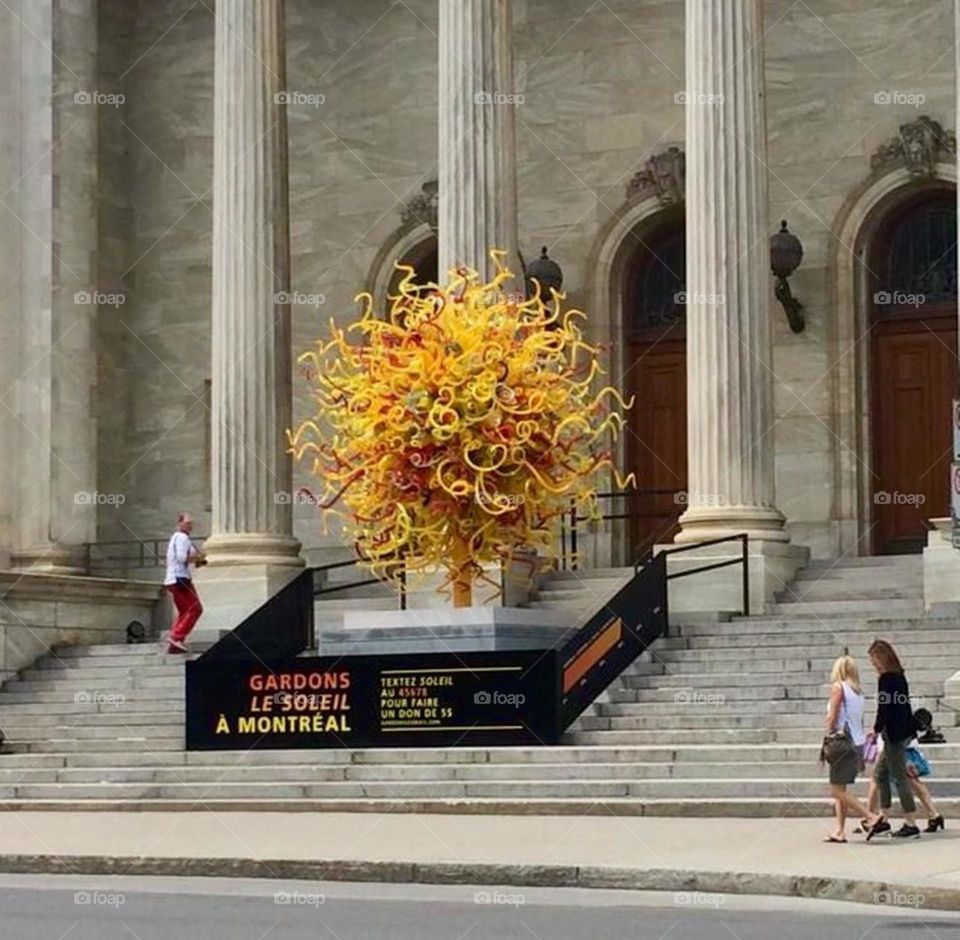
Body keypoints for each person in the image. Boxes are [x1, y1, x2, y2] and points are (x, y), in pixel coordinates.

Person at [865, 639, 921, 840]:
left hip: (894, 735)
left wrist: (876, 729)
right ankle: (884, 817)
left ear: (881, 658)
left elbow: (884, 708)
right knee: (880, 775)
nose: (874, 665)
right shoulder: (899, 676)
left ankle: (911, 822)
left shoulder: (886, 678)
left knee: (899, 777)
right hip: (904, 730)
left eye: (874, 661)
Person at [822, 655, 873, 842]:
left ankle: (870, 816)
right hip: (857, 742)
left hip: (841, 742)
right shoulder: (858, 692)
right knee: (840, 789)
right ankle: (839, 830)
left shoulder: (838, 688)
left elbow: (833, 716)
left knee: (836, 791)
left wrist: (828, 728)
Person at [163, 512, 205, 653]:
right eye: (188, 523)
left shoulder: (176, 538)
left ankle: (174, 642)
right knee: (195, 609)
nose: (190, 526)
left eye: (191, 523)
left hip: (173, 579)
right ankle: (176, 636)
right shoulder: (182, 538)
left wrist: (197, 560)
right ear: (179, 523)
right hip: (180, 579)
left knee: (184, 611)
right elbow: (182, 558)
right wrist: (197, 559)